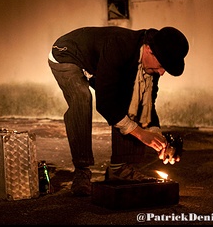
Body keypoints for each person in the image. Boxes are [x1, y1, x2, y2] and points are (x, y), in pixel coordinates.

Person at [48, 26, 189, 196]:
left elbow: (147, 104)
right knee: (82, 98)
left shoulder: (151, 64)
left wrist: (156, 134)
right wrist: (139, 133)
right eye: (161, 65)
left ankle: (120, 169)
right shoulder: (119, 46)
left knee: (132, 99)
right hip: (67, 53)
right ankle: (81, 170)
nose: (161, 72)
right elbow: (106, 102)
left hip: (97, 62)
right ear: (149, 49)